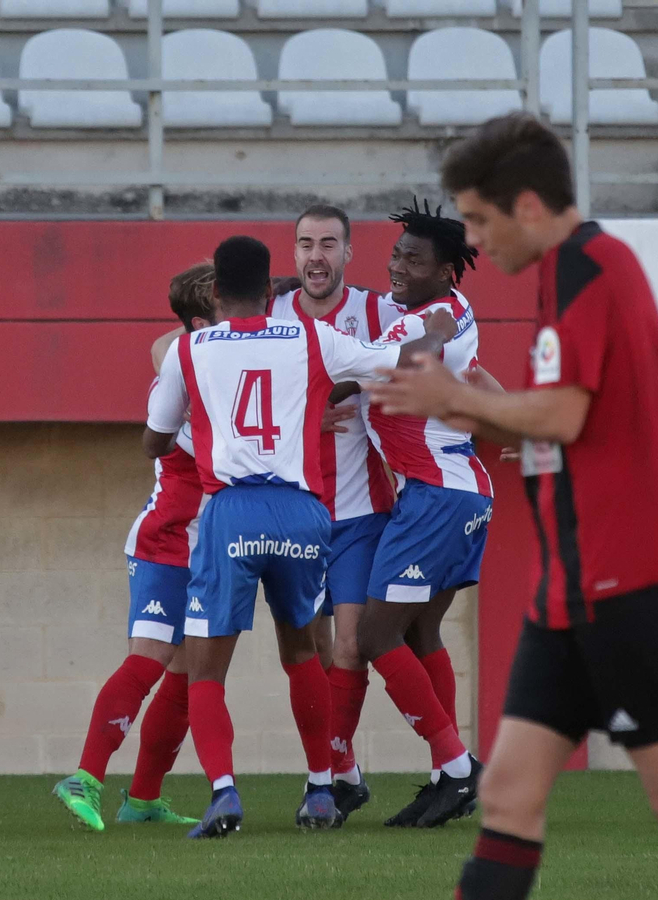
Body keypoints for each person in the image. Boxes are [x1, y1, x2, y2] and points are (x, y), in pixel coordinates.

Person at [367, 113, 658, 900]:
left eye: (480, 221)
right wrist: (473, 406)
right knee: (509, 794)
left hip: (626, 581)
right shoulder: (566, 274)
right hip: (571, 589)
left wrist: (457, 395)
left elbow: (565, 415)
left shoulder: (594, 265)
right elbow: (558, 414)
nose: (475, 243)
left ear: (525, 207)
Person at [144, 236, 457, 839]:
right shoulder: (312, 338)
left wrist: (187, 432)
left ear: (213, 293)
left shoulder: (191, 350)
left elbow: (155, 438)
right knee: (303, 654)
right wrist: (441, 326)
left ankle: (223, 793)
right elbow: (400, 362)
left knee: (206, 670)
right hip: (302, 513)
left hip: (230, 510)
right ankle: (320, 785)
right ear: (271, 291)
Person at [52, 263, 220, 831]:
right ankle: (85, 777)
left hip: (204, 545)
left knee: (190, 671)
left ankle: (143, 799)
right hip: (168, 539)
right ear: (203, 323)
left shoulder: (194, 356)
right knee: (149, 661)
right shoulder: (198, 381)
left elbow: (162, 341)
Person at [353, 199, 497, 829]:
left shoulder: (440, 317)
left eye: (414, 258)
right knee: (418, 634)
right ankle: (448, 775)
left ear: (445, 272)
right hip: (447, 492)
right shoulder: (426, 313)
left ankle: (459, 767)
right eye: (396, 253)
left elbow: (412, 357)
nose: (399, 266)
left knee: (374, 636)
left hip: (437, 497)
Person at [269, 204, 404, 818]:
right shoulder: (268, 315)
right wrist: (302, 413)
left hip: (360, 512)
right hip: (294, 512)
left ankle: (321, 784)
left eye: (328, 244)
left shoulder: (377, 313)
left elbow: (442, 354)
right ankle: (343, 772)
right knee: (312, 652)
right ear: (292, 255)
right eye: (305, 244)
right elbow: (172, 348)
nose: (316, 256)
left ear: (349, 253)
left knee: (350, 647)